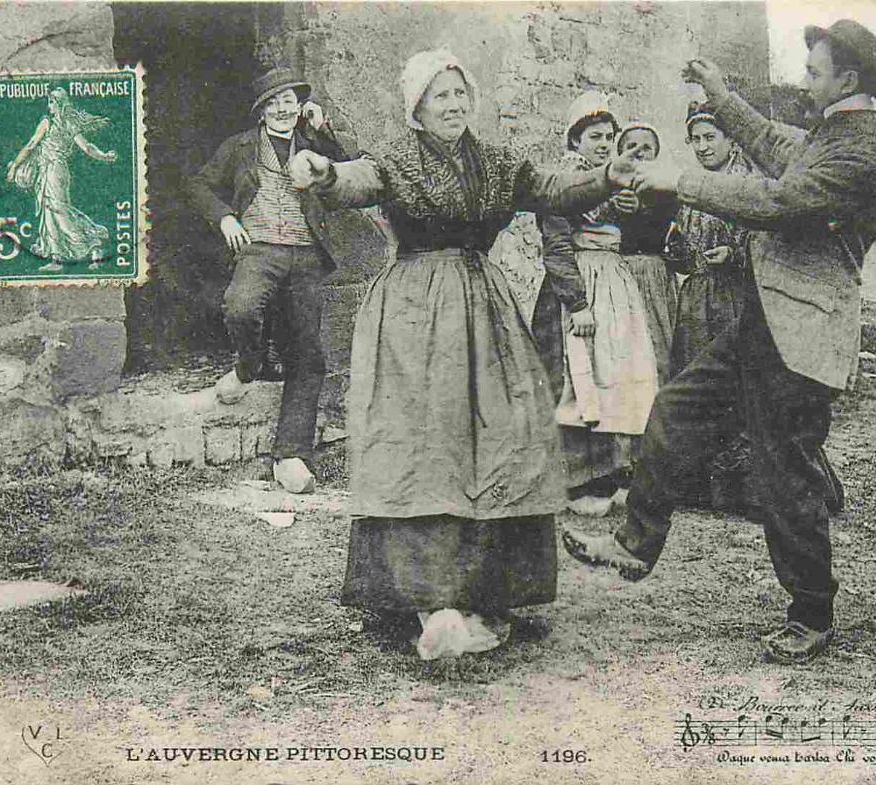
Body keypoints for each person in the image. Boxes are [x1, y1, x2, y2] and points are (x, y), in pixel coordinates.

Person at [563, 19, 876, 665]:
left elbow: (778, 199)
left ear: (848, 80)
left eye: (815, 71)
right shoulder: (833, 136)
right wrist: (717, 93)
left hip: (800, 337)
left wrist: (675, 179)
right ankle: (636, 541)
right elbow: (773, 143)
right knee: (676, 409)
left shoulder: (858, 154)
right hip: (764, 322)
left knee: (784, 477)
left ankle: (811, 613)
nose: (806, 79)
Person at [288, 50, 628, 654]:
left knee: (499, 439)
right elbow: (359, 178)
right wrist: (324, 172)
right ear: (417, 109)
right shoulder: (397, 158)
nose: (453, 105)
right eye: (439, 97)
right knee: (427, 445)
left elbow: (552, 187)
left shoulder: (496, 162)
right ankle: (428, 599)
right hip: (415, 311)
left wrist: (605, 178)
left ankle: (485, 592)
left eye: (459, 94)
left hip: (485, 306)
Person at [188, 67, 353, 494]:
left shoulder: (315, 143)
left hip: (307, 254)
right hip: (259, 247)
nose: (283, 109)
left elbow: (353, 173)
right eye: (274, 102)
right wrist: (224, 216)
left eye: (290, 102)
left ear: (300, 108)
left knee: (307, 352)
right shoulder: (239, 148)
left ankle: (291, 455)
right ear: (261, 111)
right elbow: (200, 186)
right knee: (241, 307)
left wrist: (324, 130)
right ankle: (247, 367)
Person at [535, 92, 660, 518]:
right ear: (574, 141)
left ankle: (611, 473)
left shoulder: (617, 183)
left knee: (616, 376)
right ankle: (575, 480)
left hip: (615, 285)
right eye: (594, 136)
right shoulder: (564, 184)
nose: (604, 144)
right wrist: (577, 303)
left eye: (609, 136)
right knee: (575, 381)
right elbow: (555, 244)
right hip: (578, 287)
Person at [662, 101, 758, 509]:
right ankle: (697, 484)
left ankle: (743, 487)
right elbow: (684, 248)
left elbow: (769, 245)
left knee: (738, 384)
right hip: (697, 299)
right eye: (695, 139)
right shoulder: (692, 186)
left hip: (736, 297)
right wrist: (678, 251)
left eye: (710, 137)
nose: (702, 146)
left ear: (731, 139)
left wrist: (735, 256)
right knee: (695, 384)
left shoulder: (747, 185)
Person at [6, 88, 117, 273]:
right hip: (53, 170)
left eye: (51, 102)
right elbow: (88, 147)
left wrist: (14, 166)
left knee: (59, 211)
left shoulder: (47, 122)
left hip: (53, 170)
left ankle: (93, 243)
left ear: (57, 104)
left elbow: (31, 145)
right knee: (50, 211)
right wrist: (104, 156)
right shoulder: (69, 123)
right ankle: (56, 259)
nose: (49, 106)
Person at [613, 123, 681, 384]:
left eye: (646, 148)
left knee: (656, 344)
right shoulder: (610, 187)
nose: (639, 153)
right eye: (631, 147)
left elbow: (666, 222)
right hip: (620, 273)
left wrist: (642, 207)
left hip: (653, 274)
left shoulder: (663, 191)